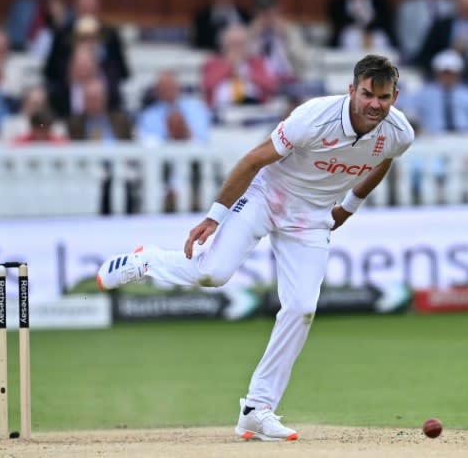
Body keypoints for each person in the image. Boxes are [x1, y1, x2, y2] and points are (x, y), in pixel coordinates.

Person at [96, 54, 414, 441]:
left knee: (301, 308)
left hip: (311, 218)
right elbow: (252, 160)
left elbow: (384, 159)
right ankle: (147, 261)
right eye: (367, 94)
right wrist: (214, 217)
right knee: (212, 273)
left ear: (394, 96)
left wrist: (349, 206)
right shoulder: (313, 117)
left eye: (383, 96)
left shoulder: (399, 132)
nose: (374, 104)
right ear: (352, 90)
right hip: (267, 195)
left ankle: (256, 409)